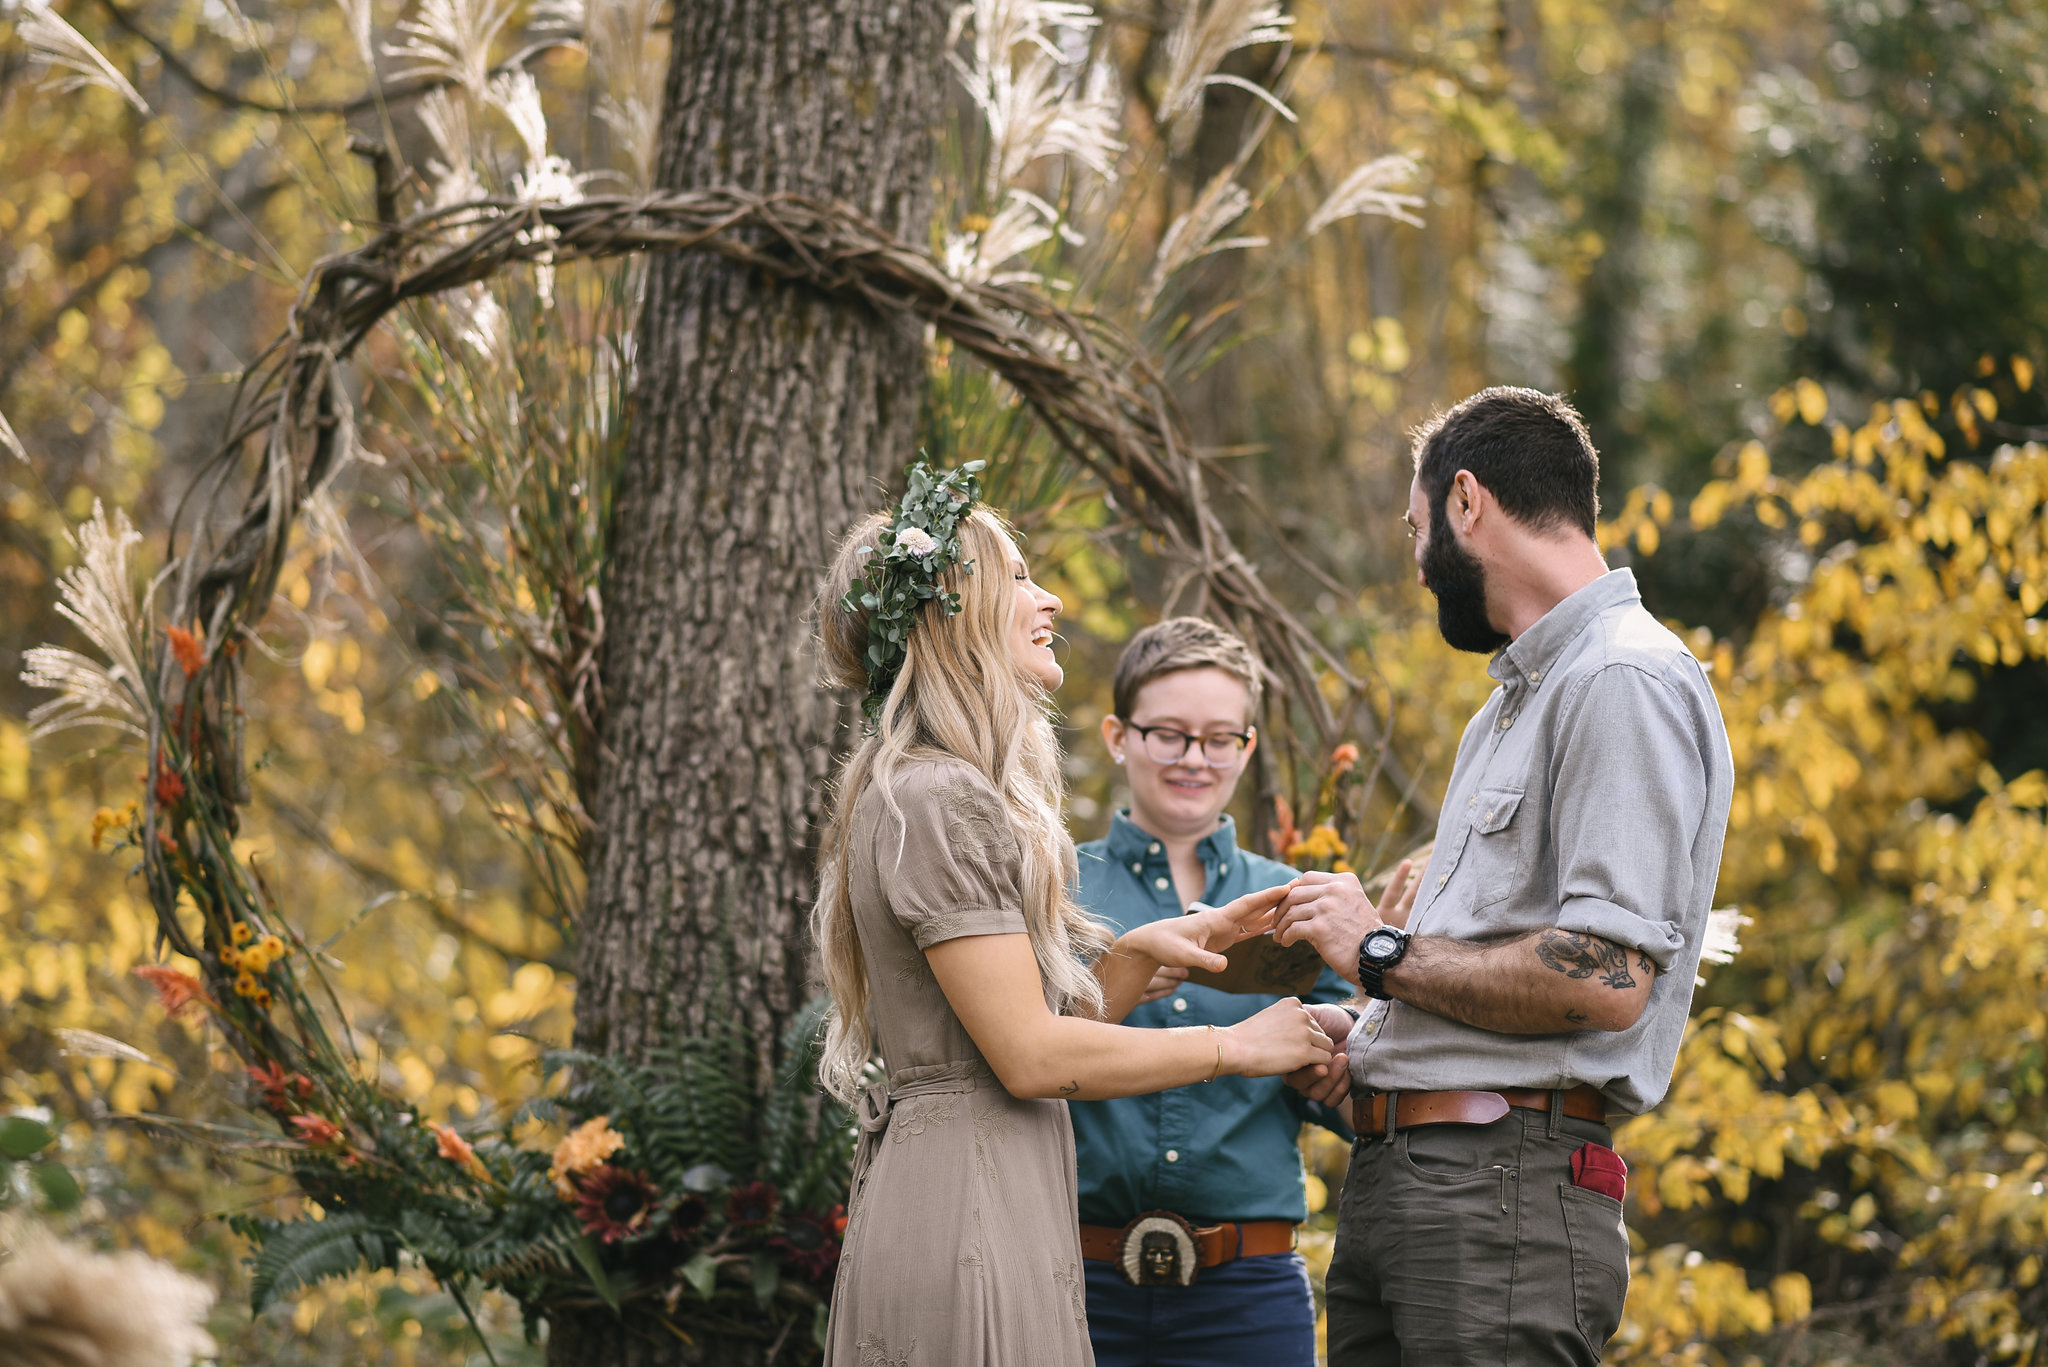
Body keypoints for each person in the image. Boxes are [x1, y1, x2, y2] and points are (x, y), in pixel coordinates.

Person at [812, 462, 1336, 1367]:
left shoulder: (932, 788)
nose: (1047, 597)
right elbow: (1029, 1057)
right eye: (1017, 577)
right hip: (969, 1202)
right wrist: (1236, 1045)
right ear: (950, 612)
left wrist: (1135, 957)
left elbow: (995, 1037)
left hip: (991, 1184)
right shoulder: (942, 796)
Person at [1275, 388, 1736, 1366]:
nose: (1413, 562)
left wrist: (1376, 950)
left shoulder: (1620, 676)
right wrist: (1364, 1038)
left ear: (1464, 502)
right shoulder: (1502, 713)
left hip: (1499, 1200)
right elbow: (1488, 959)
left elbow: (1601, 975)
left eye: (1413, 525)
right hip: (1417, 1189)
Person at [1068, 617, 1357, 1367]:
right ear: (1117, 735)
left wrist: (1348, 1031)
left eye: (1219, 737)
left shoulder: (1293, 900)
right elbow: (1013, 1051)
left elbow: (1355, 1087)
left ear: (1247, 748)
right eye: (1168, 732)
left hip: (1250, 1296)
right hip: (1069, 1281)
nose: (1194, 758)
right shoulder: (1054, 888)